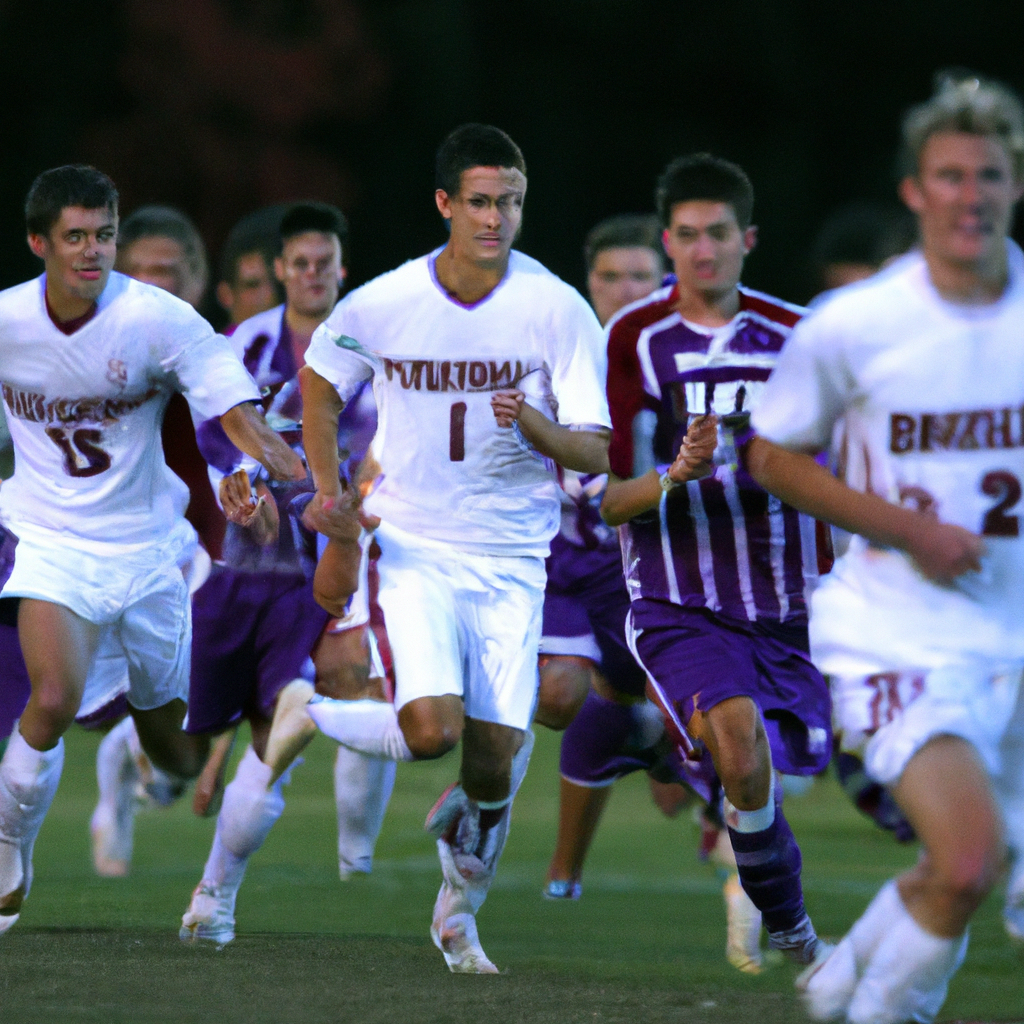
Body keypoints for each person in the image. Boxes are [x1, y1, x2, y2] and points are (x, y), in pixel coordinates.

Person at [743, 74, 1024, 1022]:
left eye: (989, 174)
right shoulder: (857, 325)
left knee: (967, 874)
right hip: (896, 630)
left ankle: (846, 971)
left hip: (1012, 632)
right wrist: (912, 530)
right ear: (915, 191)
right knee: (968, 860)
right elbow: (771, 456)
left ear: (1014, 185)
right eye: (949, 175)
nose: (969, 194)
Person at [299, 124, 611, 973]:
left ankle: (456, 913)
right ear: (445, 203)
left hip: (514, 559)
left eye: (509, 201)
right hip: (413, 546)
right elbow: (321, 383)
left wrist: (538, 426)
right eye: (478, 201)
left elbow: (596, 450)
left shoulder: (554, 306)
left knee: (495, 765)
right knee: (432, 731)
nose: (495, 217)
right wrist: (329, 493)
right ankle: (311, 712)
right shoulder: (388, 300)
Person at [0, 165, 303, 933]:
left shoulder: (157, 319)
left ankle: (152, 762)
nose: (91, 251)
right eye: (74, 237)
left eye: (103, 234)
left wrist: (266, 465)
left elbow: (229, 405)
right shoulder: (7, 322)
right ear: (39, 242)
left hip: (148, 555)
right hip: (50, 541)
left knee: (174, 751)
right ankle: (9, 858)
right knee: (52, 698)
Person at [599, 153, 832, 971]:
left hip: (796, 600)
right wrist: (673, 475)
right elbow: (606, 497)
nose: (704, 251)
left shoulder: (801, 335)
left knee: (799, 770)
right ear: (668, 242)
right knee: (740, 752)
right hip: (679, 598)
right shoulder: (630, 339)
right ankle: (799, 934)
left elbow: (844, 459)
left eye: (720, 234)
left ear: (749, 239)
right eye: (689, 236)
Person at [178, 201, 392, 945]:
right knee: (263, 722)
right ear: (279, 270)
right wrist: (243, 482)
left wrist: (366, 494)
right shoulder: (248, 341)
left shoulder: (373, 338)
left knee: (355, 677)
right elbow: (214, 428)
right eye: (297, 263)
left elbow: (396, 433)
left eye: (322, 263)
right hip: (259, 552)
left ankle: (351, 853)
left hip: (347, 534)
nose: (310, 275)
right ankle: (215, 881)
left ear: (341, 269)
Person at [214, 206, 286, 330]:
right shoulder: (217, 349)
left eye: (276, 282)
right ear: (225, 295)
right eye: (252, 285)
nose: (270, 295)